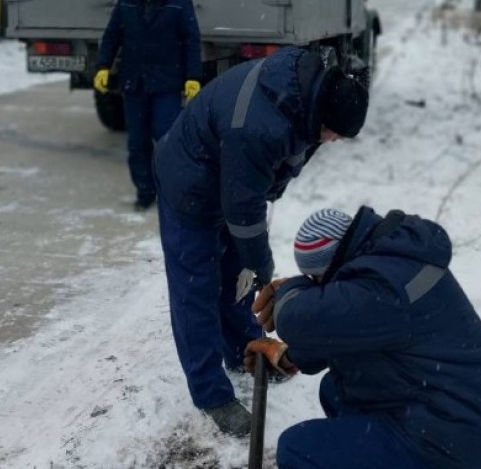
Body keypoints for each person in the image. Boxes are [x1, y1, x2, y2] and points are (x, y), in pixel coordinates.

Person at [247, 205, 481, 469]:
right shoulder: (388, 261)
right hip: (459, 423)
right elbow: (360, 337)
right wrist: (292, 357)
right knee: (337, 391)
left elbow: (297, 318)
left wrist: (292, 290)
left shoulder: (383, 287)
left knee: (299, 455)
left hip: (454, 438)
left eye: (319, 282)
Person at [153, 48, 369, 437]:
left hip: (229, 173)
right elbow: (242, 208)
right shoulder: (258, 126)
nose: (333, 141)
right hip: (190, 184)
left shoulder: (308, 97)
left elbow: (277, 169)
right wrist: (262, 266)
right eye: (333, 133)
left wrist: (255, 243)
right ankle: (210, 393)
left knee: (236, 273)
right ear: (323, 115)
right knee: (195, 289)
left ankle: (243, 351)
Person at [93, 0, 202, 210]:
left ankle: (172, 190)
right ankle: (144, 190)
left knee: (167, 140)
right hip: (135, 84)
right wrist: (102, 66)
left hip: (166, 84)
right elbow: (111, 37)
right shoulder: (127, 1)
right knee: (137, 142)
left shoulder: (179, 2)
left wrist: (193, 77)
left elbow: (191, 41)